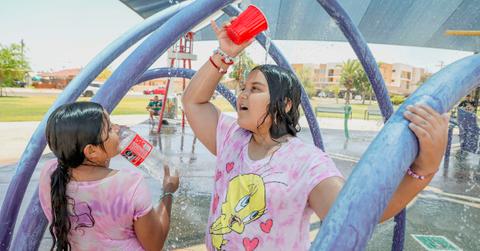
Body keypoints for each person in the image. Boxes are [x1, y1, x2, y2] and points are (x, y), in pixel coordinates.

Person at [181, 19, 450, 250]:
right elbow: (193, 101)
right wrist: (223, 54)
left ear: (285, 104)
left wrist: (423, 171)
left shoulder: (306, 163)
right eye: (243, 88)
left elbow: (353, 213)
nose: (242, 94)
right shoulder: (232, 138)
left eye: (255, 89)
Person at [39, 101, 179, 250]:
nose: (118, 129)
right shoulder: (129, 184)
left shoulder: (50, 173)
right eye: (111, 128)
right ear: (91, 151)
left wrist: (108, 149)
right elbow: (154, 244)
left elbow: (91, 169)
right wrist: (168, 190)